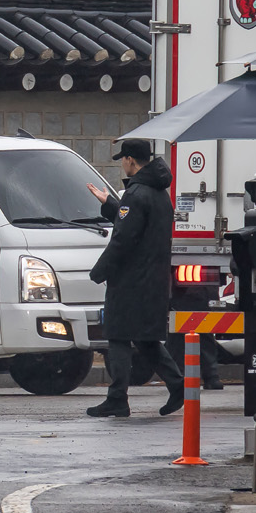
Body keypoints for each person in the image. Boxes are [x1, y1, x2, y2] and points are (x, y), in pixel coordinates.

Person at [84, 138, 184, 419]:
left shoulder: (137, 193)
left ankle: (117, 398)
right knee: (146, 338)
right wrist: (112, 205)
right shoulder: (158, 192)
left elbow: (124, 239)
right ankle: (178, 386)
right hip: (152, 278)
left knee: (117, 335)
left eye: (123, 160)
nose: (123, 165)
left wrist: (99, 271)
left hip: (131, 280)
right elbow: (139, 224)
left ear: (130, 160)